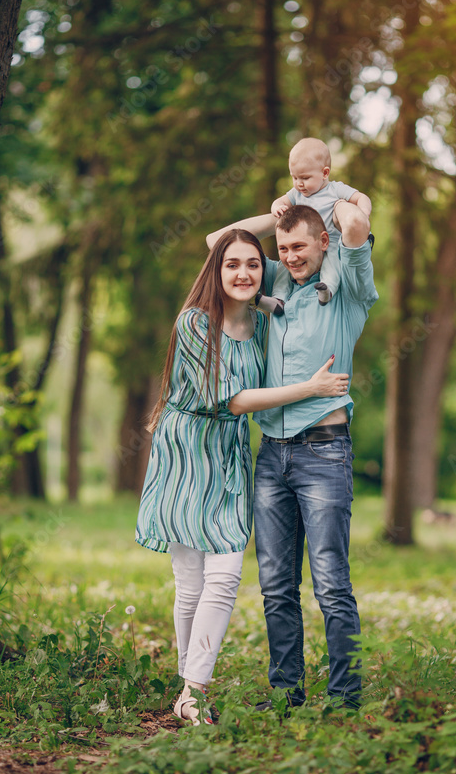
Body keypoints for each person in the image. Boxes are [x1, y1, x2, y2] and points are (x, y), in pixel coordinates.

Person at [136, 229, 350, 725]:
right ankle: (189, 689)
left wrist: (304, 204)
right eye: (231, 264)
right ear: (216, 269)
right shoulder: (194, 323)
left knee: (226, 575)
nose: (243, 274)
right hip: (186, 455)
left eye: (253, 264)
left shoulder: (265, 322)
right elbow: (230, 399)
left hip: (230, 455)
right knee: (189, 585)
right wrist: (310, 388)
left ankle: (193, 690)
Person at [206, 200, 378, 710]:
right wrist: (275, 212)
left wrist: (332, 194)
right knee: (277, 585)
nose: (290, 257)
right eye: (283, 250)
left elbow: (355, 225)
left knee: (330, 582)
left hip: (324, 453)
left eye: (299, 246)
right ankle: (286, 693)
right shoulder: (275, 282)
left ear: (322, 243)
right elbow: (217, 244)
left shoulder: (347, 286)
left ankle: (345, 698)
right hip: (271, 457)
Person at [256, 137, 372, 315]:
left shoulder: (335, 190)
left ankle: (327, 290)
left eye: (305, 177)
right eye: (294, 177)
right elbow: (280, 201)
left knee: (332, 264)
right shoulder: (297, 193)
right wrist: (276, 208)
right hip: (304, 244)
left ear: (325, 173)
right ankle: (278, 299)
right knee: (283, 268)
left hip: (330, 241)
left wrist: (363, 214)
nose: (299, 183)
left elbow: (362, 198)